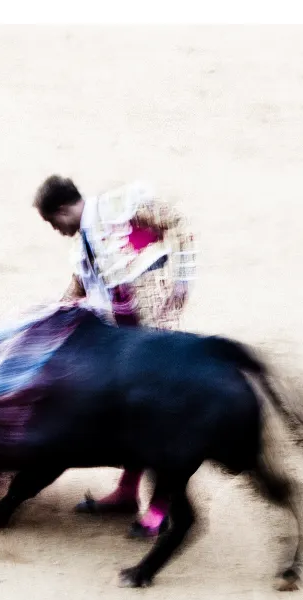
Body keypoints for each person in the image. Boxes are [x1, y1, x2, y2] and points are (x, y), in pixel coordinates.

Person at [33, 175, 198, 536]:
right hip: (121, 337)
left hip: (152, 330)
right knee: (125, 412)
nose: (57, 230)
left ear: (62, 210)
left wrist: (183, 279)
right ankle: (127, 492)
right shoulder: (82, 248)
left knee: (155, 413)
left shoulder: (117, 205)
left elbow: (177, 223)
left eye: (52, 222)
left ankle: (161, 507)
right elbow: (77, 291)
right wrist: (43, 317)